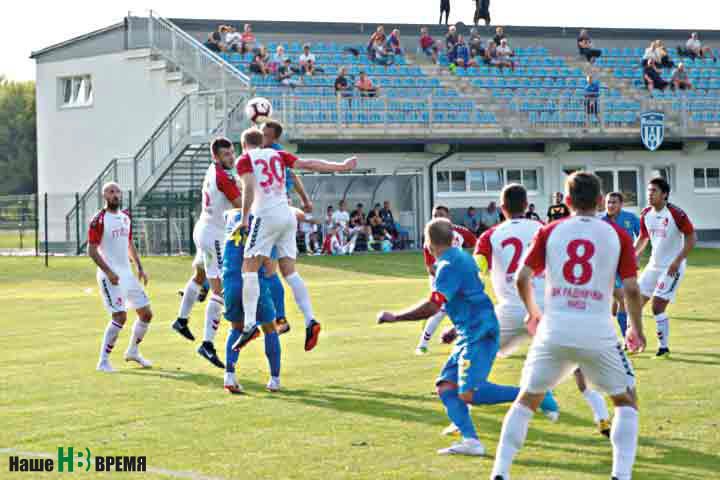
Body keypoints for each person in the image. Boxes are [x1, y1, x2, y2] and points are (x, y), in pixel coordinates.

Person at [490, 172, 645, 480]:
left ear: (568, 201)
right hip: (598, 332)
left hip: (554, 330)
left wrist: (533, 313)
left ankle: (500, 472)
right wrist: (636, 328)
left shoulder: (550, 231)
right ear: (601, 201)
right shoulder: (617, 235)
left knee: (526, 400)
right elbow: (630, 288)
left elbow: (522, 278)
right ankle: (621, 475)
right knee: (626, 401)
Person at [377, 218, 558, 456]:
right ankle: (471, 441)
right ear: (453, 238)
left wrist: (395, 317)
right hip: (470, 329)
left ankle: (536, 394)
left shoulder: (448, 266)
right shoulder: (461, 257)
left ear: (428, 244)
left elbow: (434, 305)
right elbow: (470, 294)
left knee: (470, 392)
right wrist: (455, 328)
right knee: (446, 387)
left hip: (479, 332)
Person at [473, 184, 612, 438]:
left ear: (501, 208)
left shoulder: (490, 235)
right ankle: (601, 414)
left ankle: (462, 413)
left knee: (472, 355)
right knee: (577, 363)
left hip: (509, 310)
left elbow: (476, 271)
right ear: (527, 206)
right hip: (547, 309)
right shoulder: (545, 229)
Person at [234, 128, 358, 352]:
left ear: (243, 145)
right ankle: (310, 319)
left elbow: (249, 188)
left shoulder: (244, 159)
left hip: (266, 215)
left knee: (248, 268)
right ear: (262, 142)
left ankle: (250, 324)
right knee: (289, 271)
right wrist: (341, 166)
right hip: (287, 215)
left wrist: (244, 219)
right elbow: (309, 164)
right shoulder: (278, 155)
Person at [173, 138, 244, 369]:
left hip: (204, 227)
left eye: (232, 153)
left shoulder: (215, 169)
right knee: (220, 290)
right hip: (214, 235)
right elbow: (241, 204)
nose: (231, 157)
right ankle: (207, 344)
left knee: (200, 277)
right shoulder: (223, 176)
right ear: (215, 157)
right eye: (226, 155)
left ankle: (181, 320)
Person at [89, 182, 153, 372]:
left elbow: (129, 243)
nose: (115, 195)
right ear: (104, 196)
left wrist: (140, 268)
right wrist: (109, 272)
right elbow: (91, 251)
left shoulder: (125, 217)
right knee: (120, 316)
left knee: (146, 314)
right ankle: (103, 361)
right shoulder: (99, 220)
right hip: (109, 276)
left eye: (117, 191)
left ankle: (133, 351)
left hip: (127, 274)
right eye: (111, 192)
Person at [635, 177, 696, 358]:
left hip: (672, 267)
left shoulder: (676, 214)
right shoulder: (646, 213)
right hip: (653, 266)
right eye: (649, 191)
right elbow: (642, 238)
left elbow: (692, 238)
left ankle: (663, 348)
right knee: (634, 303)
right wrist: (631, 256)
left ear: (665, 194)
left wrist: (677, 261)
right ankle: (632, 341)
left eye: (654, 191)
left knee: (657, 306)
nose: (650, 194)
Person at [221, 209, 280, 393]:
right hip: (254, 282)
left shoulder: (229, 216)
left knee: (236, 329)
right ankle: (274, 379)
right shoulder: (265, 219)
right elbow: (270, 268)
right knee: (270, 328)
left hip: (230, 280)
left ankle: (229, 376)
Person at [415, 205, 477, 354]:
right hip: (439, 279)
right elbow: (430, 267)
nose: (437, 218)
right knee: (441, 310)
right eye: (435, 215)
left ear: (448, 217)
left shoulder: (460, 232)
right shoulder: (430, 238)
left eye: (441, 215)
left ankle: (464, 341)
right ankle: (422, 345)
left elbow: (477, 243)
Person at [602, 192, 641, 342]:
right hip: (608, 268)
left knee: (620, 303)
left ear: (621, 204)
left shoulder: (630, 218)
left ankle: (620, 331)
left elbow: (643, 236)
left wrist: (635, 255)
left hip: (627, 267)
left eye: (614, 202)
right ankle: (627, 337)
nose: (610, 205)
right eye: (608, 202)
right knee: (623, 300)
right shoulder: (601, 221)